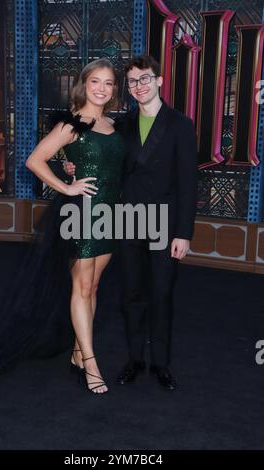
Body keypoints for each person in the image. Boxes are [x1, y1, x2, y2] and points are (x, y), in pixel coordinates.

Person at [0, 59, 125, 395]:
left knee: (93, 286)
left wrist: (72, 169)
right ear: (84, 84)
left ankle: (79, 353)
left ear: (114, 90)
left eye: (109, 83)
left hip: (111, 215)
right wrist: (67, 187)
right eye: (96, 81)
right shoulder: (72, 125)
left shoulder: (113, 124)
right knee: (81, 287)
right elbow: (34, 160)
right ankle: (91, 364)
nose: (102, 89)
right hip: (81, 215)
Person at [65, 55, 198, 390]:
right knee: (132, 295)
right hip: (125, 221)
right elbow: (101, 157)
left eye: (145, 79)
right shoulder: (121, 124)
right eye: (133, 81)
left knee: (162, 294)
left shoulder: (180, 124)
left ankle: (162, 365)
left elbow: (188, 183)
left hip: (163, 226)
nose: (139, 86)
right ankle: (135, 359)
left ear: (159, 81)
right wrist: (73, 169)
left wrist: (183, 232)